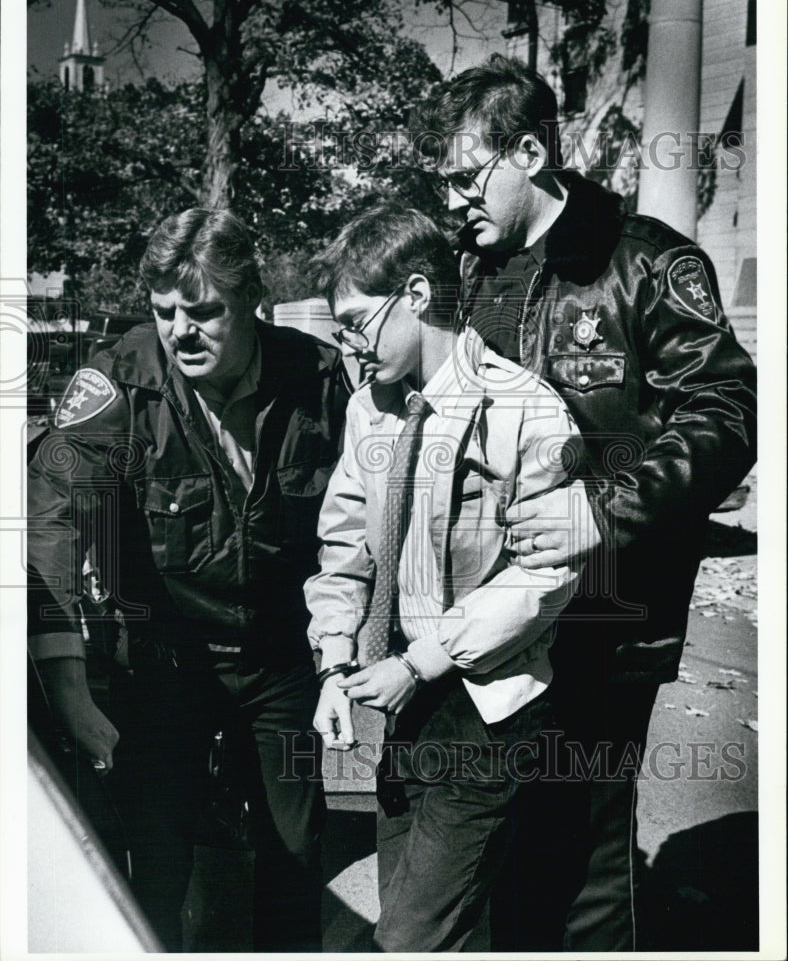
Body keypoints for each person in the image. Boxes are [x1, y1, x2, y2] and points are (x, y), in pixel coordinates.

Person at [410, 55, 758, 950]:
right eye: (441, 181)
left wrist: (600, 509)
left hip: (605, 623)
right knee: (479, 852)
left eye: (465, 175)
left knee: (582, 863)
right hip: (474, 624)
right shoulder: (460, 276)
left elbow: (726, 413)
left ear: (528, 152)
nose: (453, 200)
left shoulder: (645, 263)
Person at [27, 208, 348, 952]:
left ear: (253, 303)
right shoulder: (116, 379)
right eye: (165, 312)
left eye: (204, 311)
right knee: (156, 864)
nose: (182, 332)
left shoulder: (317, 375)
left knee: (295, 854)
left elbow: (358, 521)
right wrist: (69, 684)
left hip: (280, 657)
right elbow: (51, 516)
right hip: (164, 658)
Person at [304, 203, 584, 951]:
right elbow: (344, 548)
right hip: (407, 706)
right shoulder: (372, 408)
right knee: (427, 916)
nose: (349, 346)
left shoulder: (522, 407)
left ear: (418, 296)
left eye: (357, 322)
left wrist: (421, 661)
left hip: (484, 705)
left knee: (413, 934)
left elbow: (549, 571)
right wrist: (334, 665)